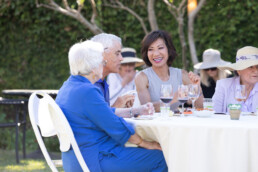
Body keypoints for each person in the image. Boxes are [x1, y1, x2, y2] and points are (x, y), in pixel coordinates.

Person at [55, 40, 168, 172]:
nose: (102, 66)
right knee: (160, 158)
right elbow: (114, 124)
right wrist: (145, 143)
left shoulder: (68, 86)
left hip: (75, 158)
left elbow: (103, 113)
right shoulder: (87, 91)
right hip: (93, 159)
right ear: (93, 67)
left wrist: (135, 110)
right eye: (102, 62)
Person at [135, 30, 203, 112]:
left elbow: (200, 107)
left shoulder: (182, 74)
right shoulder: (142, 77)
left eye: (160, 48)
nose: (156, 54)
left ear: (169, 50)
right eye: (150, 49)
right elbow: (146, 109)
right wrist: (173, 99)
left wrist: (197, 88)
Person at [91, 33, 135, 108]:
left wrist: (119, 107)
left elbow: (102, 114)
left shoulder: (101, 82)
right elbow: (100, 118)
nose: (121, 59)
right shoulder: (89, 84)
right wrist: (116, 106)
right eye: (117, 54)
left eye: (131, 64)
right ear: (103, 55)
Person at [213, 46, 258, 113]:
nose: (256, 71)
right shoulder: (223, 85)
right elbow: (215, 114)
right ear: (239, 71)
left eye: (257, 67)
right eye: (250, 67)